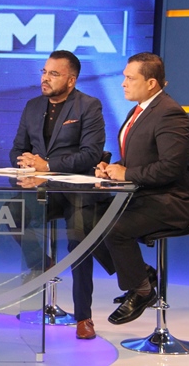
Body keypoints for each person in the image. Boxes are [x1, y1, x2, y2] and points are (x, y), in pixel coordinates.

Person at [10, 50, 114, 339]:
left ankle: (84, 318)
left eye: (54, 74)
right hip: (42, 189)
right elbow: (17, 148)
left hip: (77, 190)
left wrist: (47, 165)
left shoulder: (88, 106)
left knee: (78, 240)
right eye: (44, 72)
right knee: (11, 212)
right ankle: (42, 264)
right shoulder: (33, 106)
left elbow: (91, 154)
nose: (45, 78)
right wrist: (24, 163)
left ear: (71, 80)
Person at [95, 52, 189, 325]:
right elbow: (138, 158)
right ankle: (141, 274)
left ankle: (141, 290)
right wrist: (112, 168)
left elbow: (170, 168)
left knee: (114, 228)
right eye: (124, 77)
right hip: (142, 196)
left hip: (169, 201)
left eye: (130, 78)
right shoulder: (139, 110)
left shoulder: (170, 113)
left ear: (151, 83)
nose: (123, 83)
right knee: (85, 220)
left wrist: (127, 173)